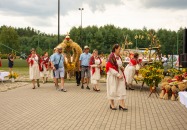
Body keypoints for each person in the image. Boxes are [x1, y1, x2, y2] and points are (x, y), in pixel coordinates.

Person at [106, 44, 128, 111]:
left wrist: (121, 67)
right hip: (113, 76)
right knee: (112, 90)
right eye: (119, 49)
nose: (120, 50)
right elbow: (110, 68)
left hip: (120, 75)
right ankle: (112, 104)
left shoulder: (119, 56)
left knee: (121, 89)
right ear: (115, 49)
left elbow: (118, 65)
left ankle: (122, 104)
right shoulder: (111, 56)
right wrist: (118, 75)